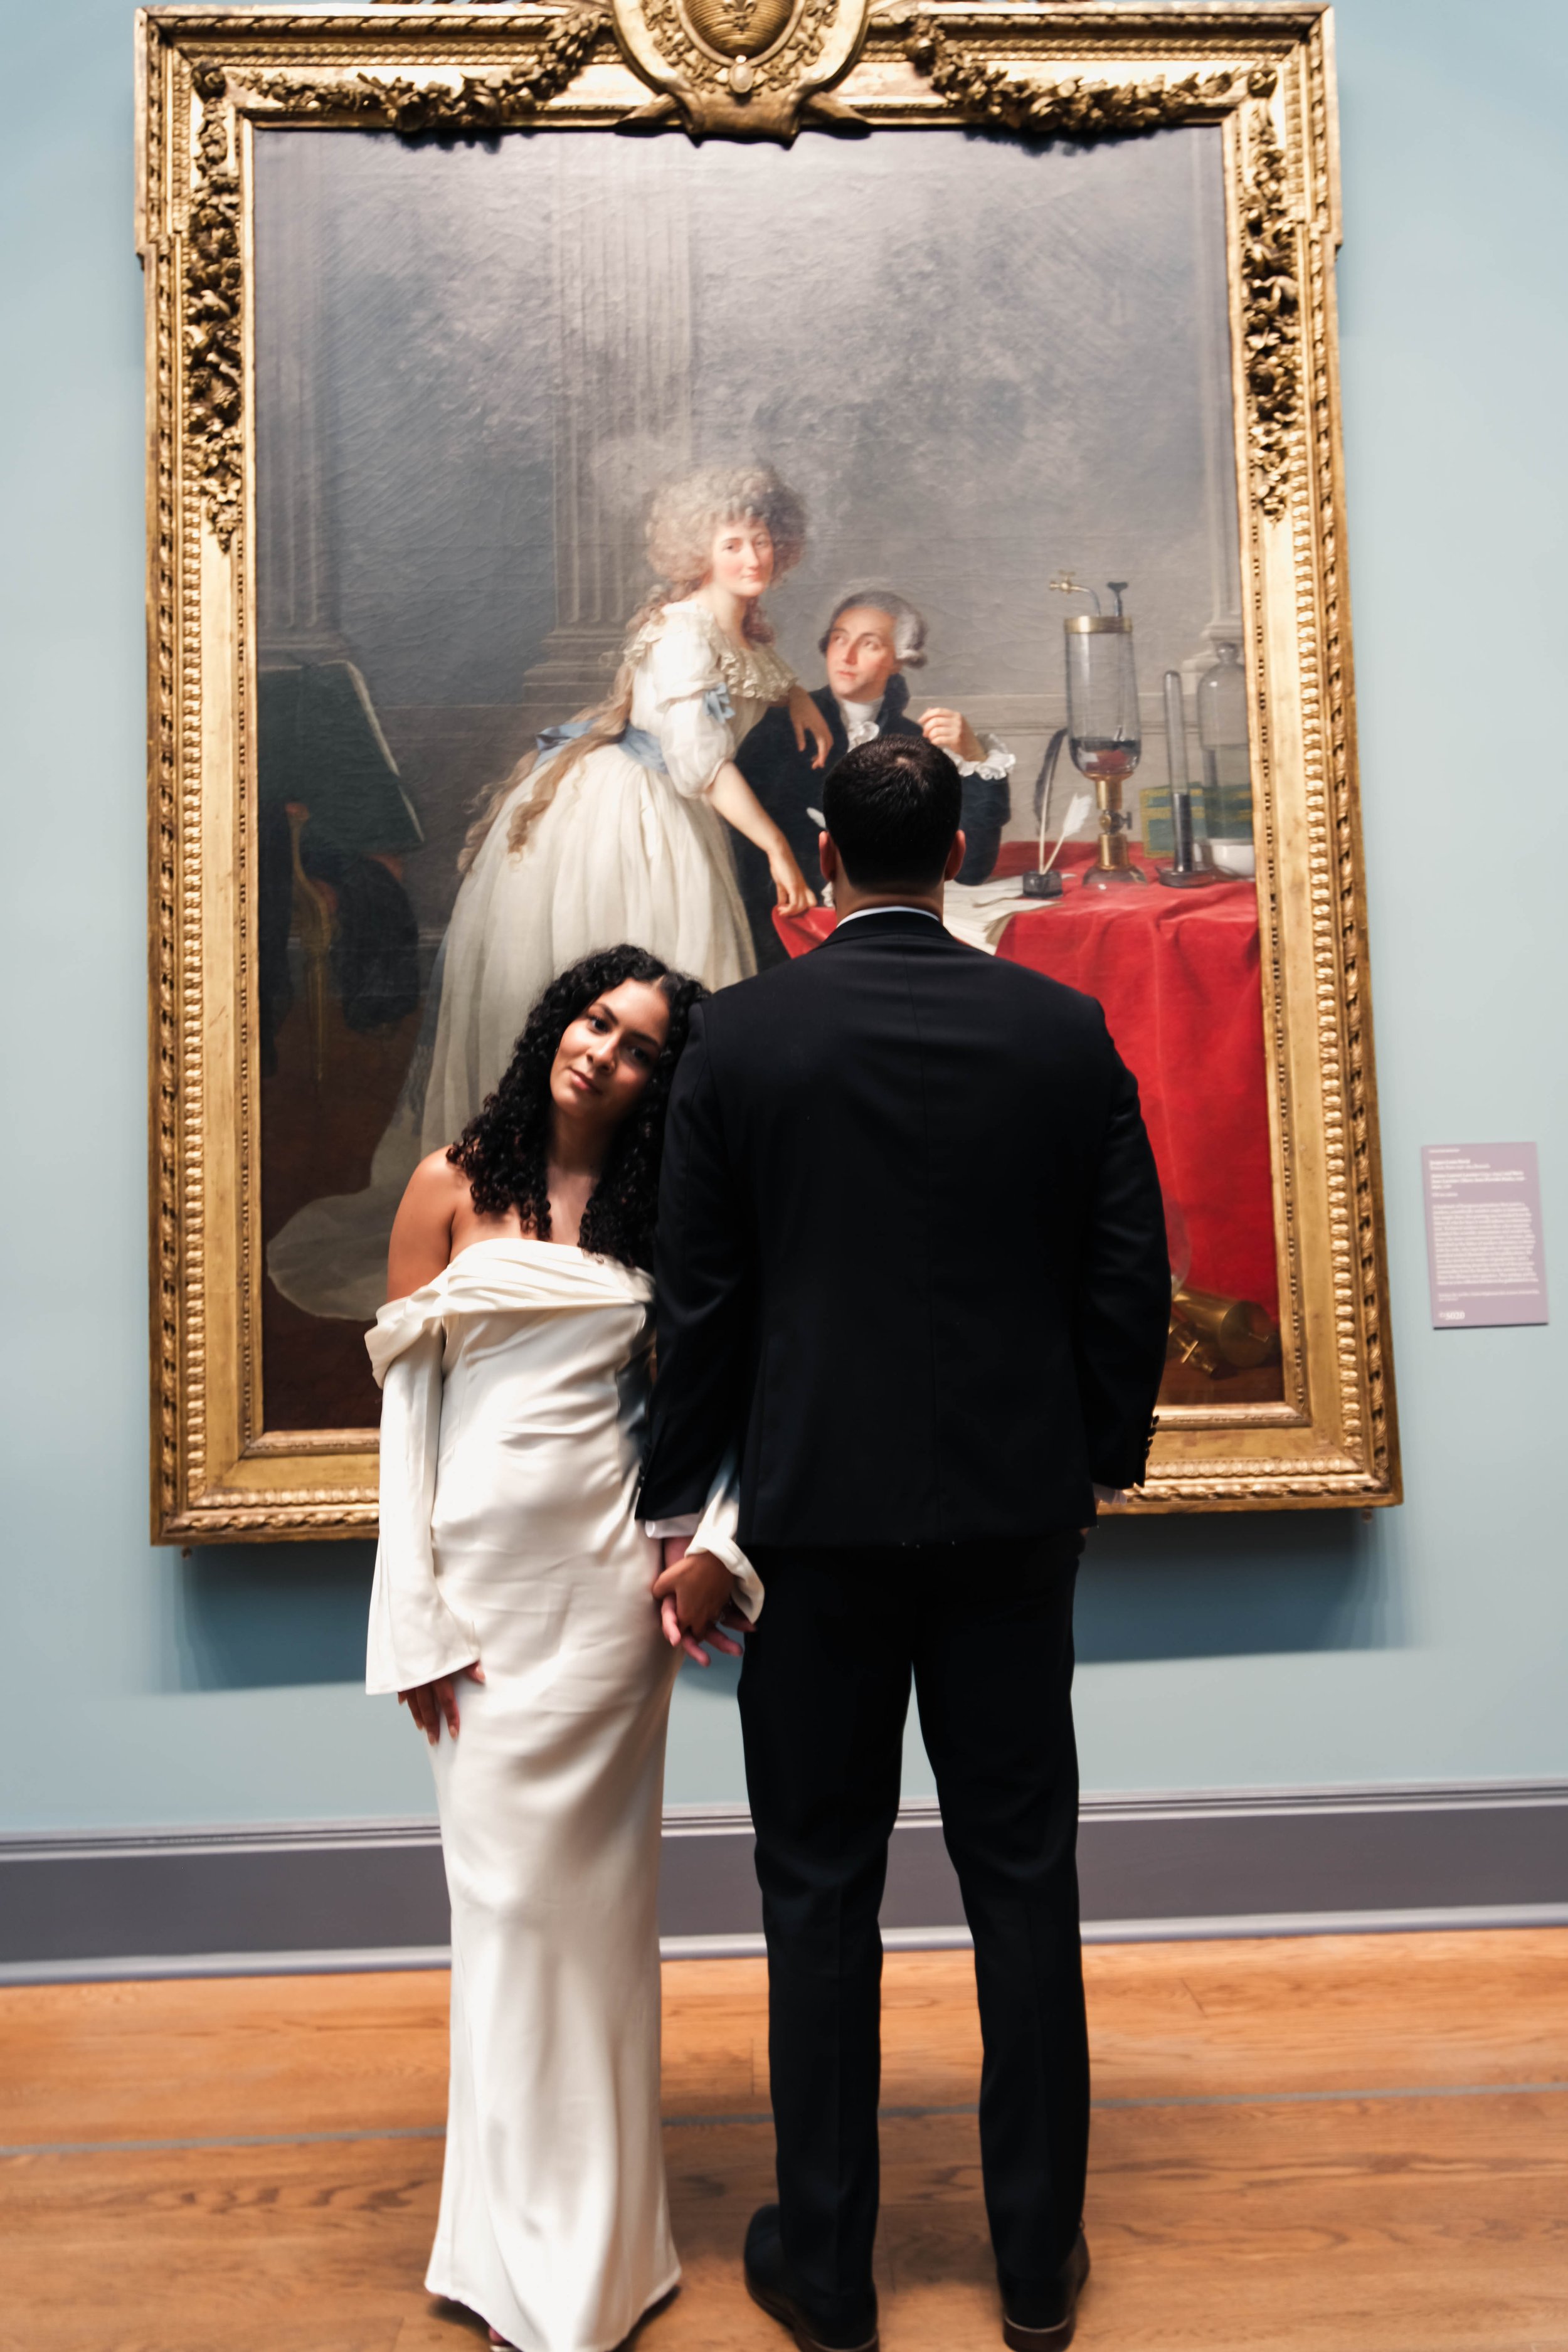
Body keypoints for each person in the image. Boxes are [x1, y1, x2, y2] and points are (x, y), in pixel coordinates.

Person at [638, 736, 1171, 2352]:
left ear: (820, 840)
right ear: (956, 844)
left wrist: (681, 1509)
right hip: (1015, 1518)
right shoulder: (1061, 1030)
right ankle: (1032, 2267)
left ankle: (833, 2269)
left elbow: (702, 1304)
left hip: (815, 1523)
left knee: (817, 1889)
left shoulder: (744, 1036)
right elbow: (1127, 1278)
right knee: (1025, 1879)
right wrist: (1090, 1456)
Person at [366, 945, 762, 2352]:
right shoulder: (447, 1186)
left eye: (642, 1042)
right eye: (596, 1020)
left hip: (602, 1609)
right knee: (504, 1917)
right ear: (558, 1024)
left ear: (663, 1078)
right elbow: (404, 1426)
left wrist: (712, 1547)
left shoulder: (667, 1212)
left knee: (596, 1923)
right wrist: (408, 1612)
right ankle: (497, 2245)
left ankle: (604, 2246)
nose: (605, 1049)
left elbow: (721, 1399)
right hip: (478, 1598)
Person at [267, 461, 829, 1323]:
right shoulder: (682, 632)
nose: (749, 553)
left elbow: (757, 669)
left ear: (781, 548)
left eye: (762, 539)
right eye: (730, 541)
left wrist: (801, 699)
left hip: (668, 818)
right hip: (621, 822)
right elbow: (700, 761)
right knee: (620, 1005)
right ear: (699, 550)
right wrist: (777, 846)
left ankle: (653, 1205)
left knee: (672, 1013)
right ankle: (557, 1220)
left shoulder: (743, 626)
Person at [732, 587, 1015, 967]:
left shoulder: (915, 743)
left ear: (899, 661)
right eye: (839, 639)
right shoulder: (779, 727)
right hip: (785, 929)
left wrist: (976, 758)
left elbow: (973, 867)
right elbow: (740, 847)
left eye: (869, 645)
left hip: (886, 941)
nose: (846, 657)